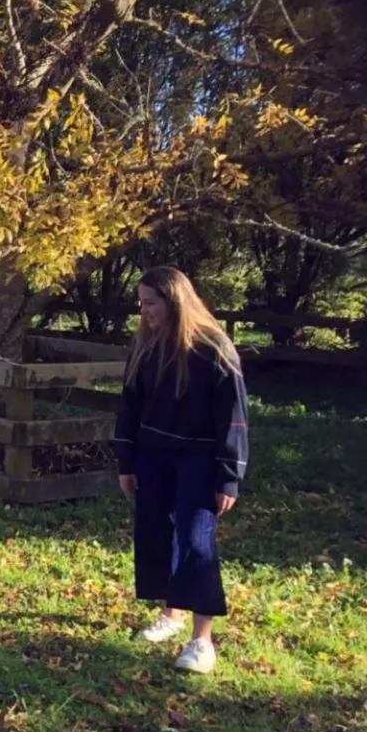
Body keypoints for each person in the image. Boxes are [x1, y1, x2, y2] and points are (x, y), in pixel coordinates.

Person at [113, 266, 250, 674]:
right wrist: (127, 461)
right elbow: (130, 406)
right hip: (154, 454)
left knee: (195, 540)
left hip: (200, 459)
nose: (144, 311)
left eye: (150, 303)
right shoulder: (145, 346)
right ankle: (169, 615)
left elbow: (234, 416)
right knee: (156, 533)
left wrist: (229, 474)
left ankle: (201, 641)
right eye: (141, 303)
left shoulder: (214, 348)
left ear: (174, 302)